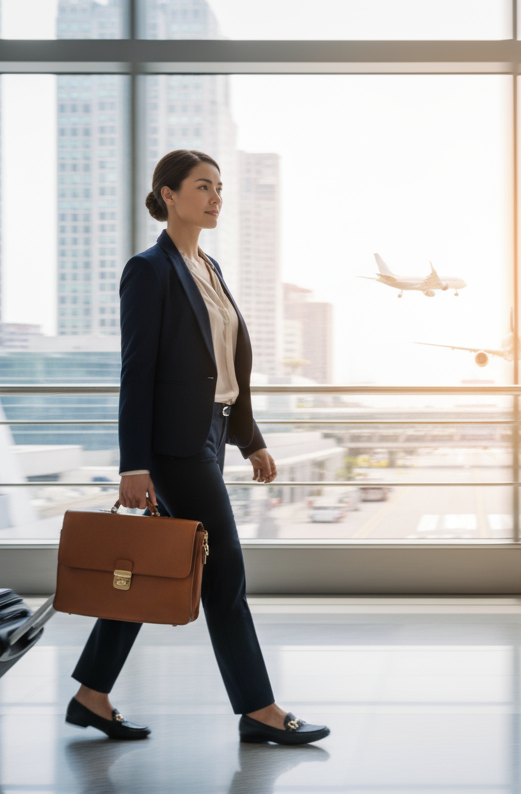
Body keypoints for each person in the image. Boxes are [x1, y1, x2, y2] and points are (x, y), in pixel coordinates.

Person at [66, 150, 329, 745]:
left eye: (218, 188)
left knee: (155, 564)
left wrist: (249, 438)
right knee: (225, 572)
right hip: (173, 447)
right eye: (202, 187)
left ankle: (91, 694)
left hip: (209, 435)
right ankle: (258, 708)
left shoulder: (208, 267)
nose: (215, 198)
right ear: (167, 195)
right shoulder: (150, 270)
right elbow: (138, 372)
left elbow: (226, 369)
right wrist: (133, 463)